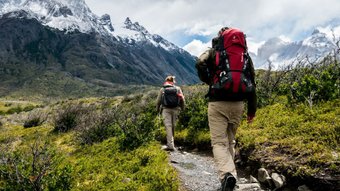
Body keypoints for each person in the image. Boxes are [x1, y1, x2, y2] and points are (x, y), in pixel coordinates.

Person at [196, 27, 257, 191]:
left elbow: (199, 62)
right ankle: (232, 177)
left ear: (220, 37)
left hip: (218, 102)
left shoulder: (214, 51)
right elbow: (252, 81)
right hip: (239, 104)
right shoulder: (244, 55)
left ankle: (227, 175)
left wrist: (210, 80)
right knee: (230, 141)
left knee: (218, 143)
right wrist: (252, 110)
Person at [156, 75, 185, 151]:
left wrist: (157, 110)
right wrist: (183, 109)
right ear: (173, 82)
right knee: (173, 126)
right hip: (176, 109)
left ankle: (170, 145)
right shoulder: (177, 89)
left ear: (166, 81)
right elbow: (182, 100)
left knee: (168, 126)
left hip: (166, 110)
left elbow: (158, 101)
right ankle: (172, 144)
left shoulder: (162, 89)